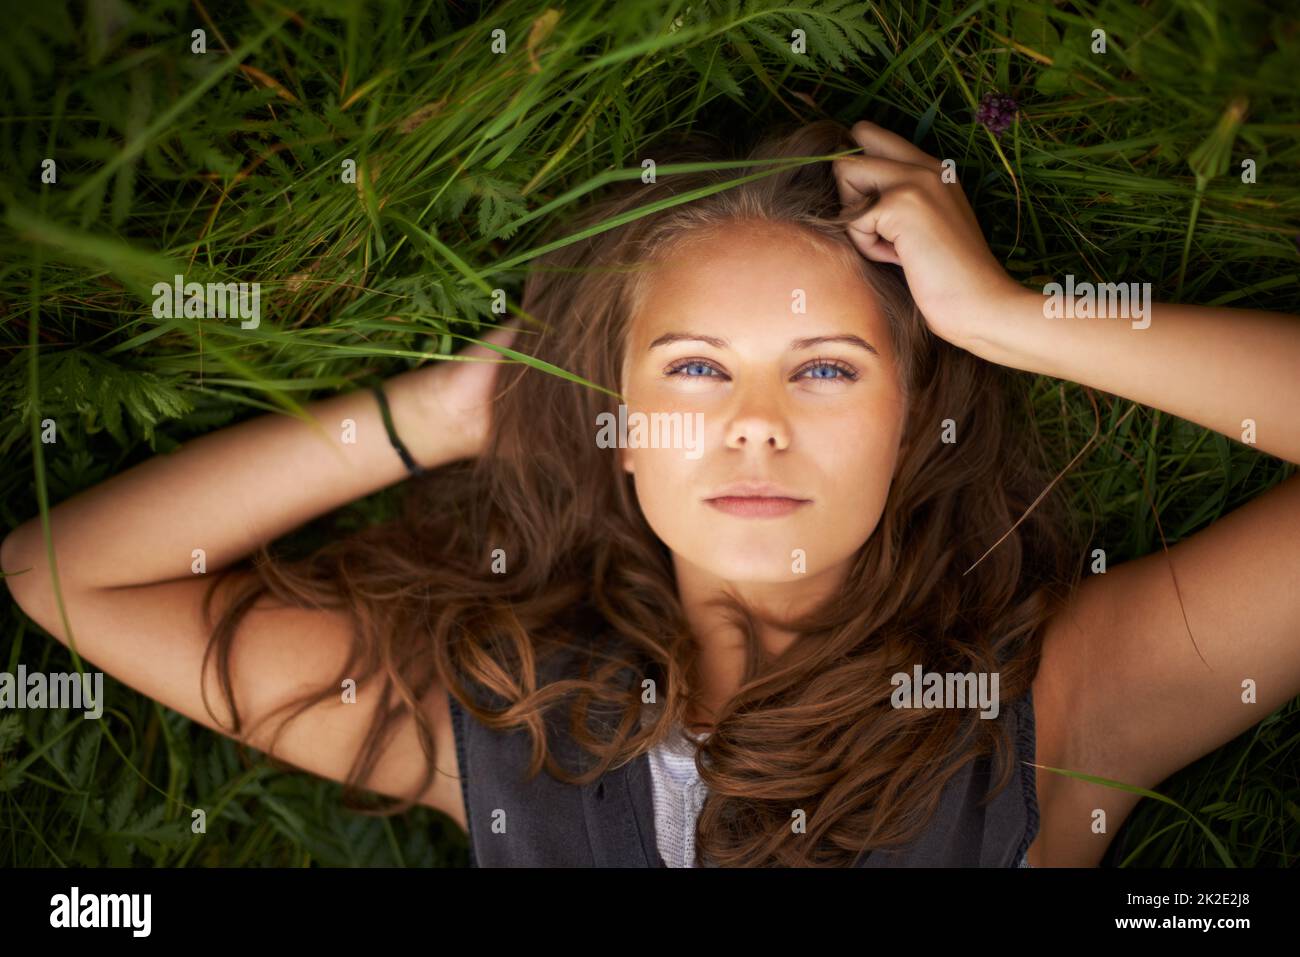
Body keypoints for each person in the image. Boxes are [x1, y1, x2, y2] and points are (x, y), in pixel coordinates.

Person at [4, 119, 1298, 868]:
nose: (752, 426)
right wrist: (447, 414)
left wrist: (1013, 323)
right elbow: (67, 575)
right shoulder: (514, 734)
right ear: (616, 426)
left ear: (916, 427)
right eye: (693, 368)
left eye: (827, 369)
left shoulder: (1046, 711)